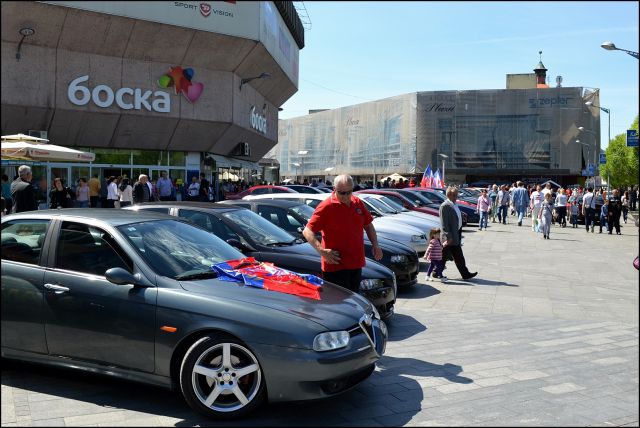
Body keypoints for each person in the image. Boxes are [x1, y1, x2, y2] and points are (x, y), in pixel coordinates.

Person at [302, 174, 383, 293]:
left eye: (349, 192)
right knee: (338, 305)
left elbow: (368, 225)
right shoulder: (326, 206)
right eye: (341, 193)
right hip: (335, 265)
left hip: (355, 263)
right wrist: (321, 251)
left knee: (354, 300)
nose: (345, 196)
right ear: (334, 190)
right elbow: (307, 231)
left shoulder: (357, 202)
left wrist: (375, 245)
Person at [440, 186, 477, 280]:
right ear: (449, 195)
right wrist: (448, 236)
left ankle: (464, 274)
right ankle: (465, 274)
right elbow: (444, 223)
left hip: (456, 233)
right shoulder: (445, 206)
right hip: (450, 236)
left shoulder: (454, 204)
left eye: (457, 195)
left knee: (454, 256)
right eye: (455, 195)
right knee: (447, 255)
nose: (457, 197)